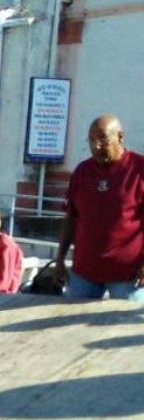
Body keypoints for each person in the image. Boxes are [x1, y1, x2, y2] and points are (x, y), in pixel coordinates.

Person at [53, 114, 144, 301]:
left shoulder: (139, 169)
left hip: (128, 277)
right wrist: (60, 258)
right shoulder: (82, 172)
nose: (96, 146)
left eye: (103, 138)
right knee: (72, 328)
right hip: (84, 274)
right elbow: (71, 218)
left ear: (120, 137)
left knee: (122, 326)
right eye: (91, 140)